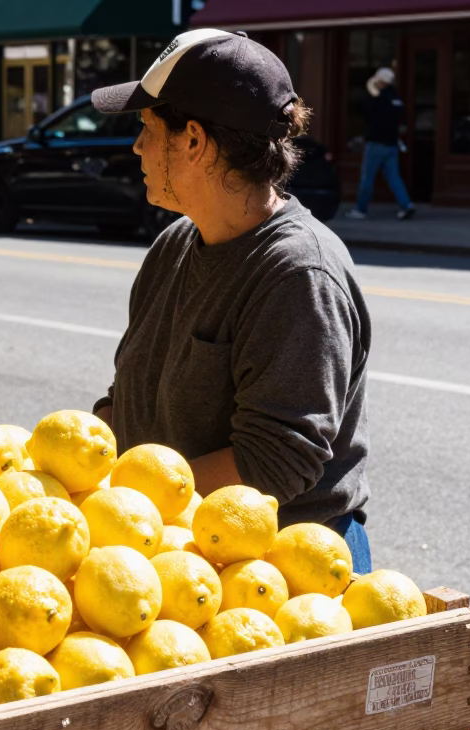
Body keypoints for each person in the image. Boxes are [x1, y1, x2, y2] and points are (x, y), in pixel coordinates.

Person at [89, 29, 372, 572]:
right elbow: (129, 397)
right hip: (169, 543)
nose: (136, 146)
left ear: (193, 141)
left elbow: (276, 461)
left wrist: (128, 497)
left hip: (279, 567)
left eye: (147, 128)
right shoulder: (175, 242)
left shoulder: (298, 273)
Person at [347, 67, 415, 221]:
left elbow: (363, 109)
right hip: (392, 144)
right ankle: (406, 205)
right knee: (394, 177)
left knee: (367, 178)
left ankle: (360, 209)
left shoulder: (377, 99)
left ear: (381, 82)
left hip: (376, 143)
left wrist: (371, 89)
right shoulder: (396, 99)